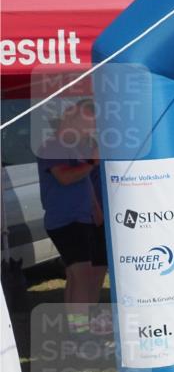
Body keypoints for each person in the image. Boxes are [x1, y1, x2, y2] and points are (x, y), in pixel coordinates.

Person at [37, 101, 107, 303]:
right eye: (87, 124)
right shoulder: (51, 146)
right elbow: (65, 178)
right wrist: (92, 162)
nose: (90, 130)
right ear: (69, 119)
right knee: (82, 276)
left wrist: (96, 210)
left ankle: (81, 326)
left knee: (85, 277)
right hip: (66, 221)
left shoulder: (77, 147)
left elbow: (86, 184)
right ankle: (79, 330)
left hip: (84, 219)